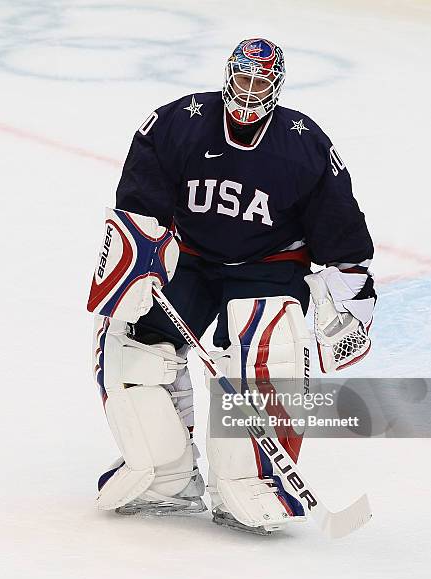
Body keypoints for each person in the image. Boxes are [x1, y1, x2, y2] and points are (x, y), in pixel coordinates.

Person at [87, 38, 376, 535]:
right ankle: (166, 476)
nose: (249, 90)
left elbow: (339, 228)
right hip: (192, 259)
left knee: (269, 351)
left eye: (259, 81)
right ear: (228, 75)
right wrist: (139, 258)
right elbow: (139, 205)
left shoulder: (301, 143)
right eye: (242, 78)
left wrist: (351, 297)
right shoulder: (180, 123)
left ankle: (252, 482)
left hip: (270, 262)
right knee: (131, 345)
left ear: (275, 86)